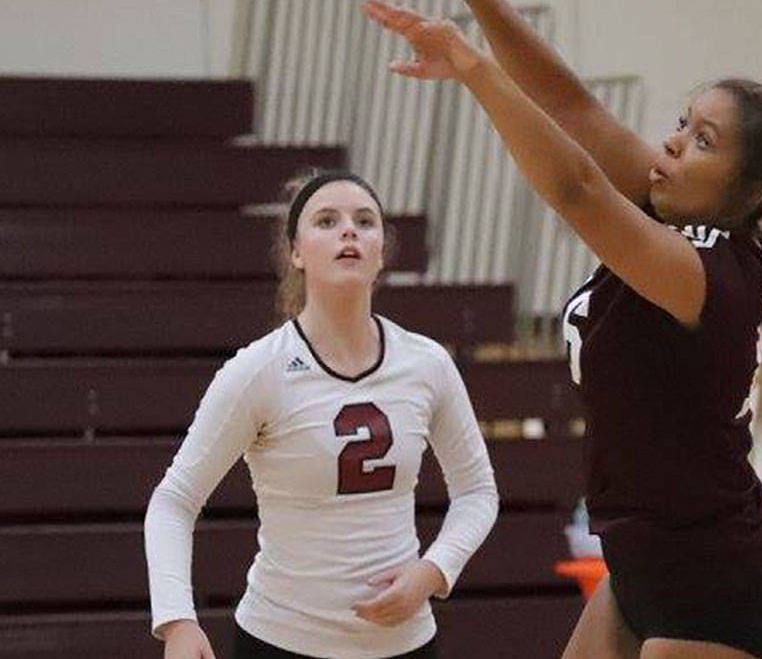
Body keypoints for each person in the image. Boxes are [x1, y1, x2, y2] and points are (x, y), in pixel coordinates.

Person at [362, 0, 762, 659]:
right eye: (684, 123)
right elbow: (574, 109)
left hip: (713, 588)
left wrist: (475, 70)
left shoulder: (715, 274)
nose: (674, 142)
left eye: (703, 142)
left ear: (747, 193)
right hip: (639, 568)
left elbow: (577, 187)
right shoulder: (667, 205)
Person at [144, 170, 499, 659]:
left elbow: (477, 491)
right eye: (327, 221)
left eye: (364, 221)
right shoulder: (259, 369)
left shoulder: (427, 363)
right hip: (279, 641)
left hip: (405, 645)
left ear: (381, 252)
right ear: (295, 253)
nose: (348, 231)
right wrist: (177, 621)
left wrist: (433, 572)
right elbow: (174, 501)